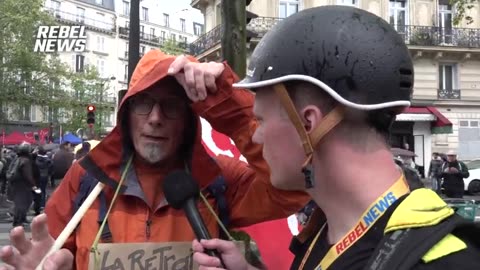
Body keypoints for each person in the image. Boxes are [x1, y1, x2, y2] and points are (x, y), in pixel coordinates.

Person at [191, 6, 480, 270]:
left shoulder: (444, 262)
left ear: (308, 123)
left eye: (261, 120)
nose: (256, 135)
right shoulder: (330, 229)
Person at [0, 51, 309, 269]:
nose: (155, 119)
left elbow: (294, 189)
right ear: (126, 113)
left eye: (171, 106)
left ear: (188, 121)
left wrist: (229, 107)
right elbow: (55, 256)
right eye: (144, 104)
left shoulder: (217, 180)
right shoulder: (85, 179)